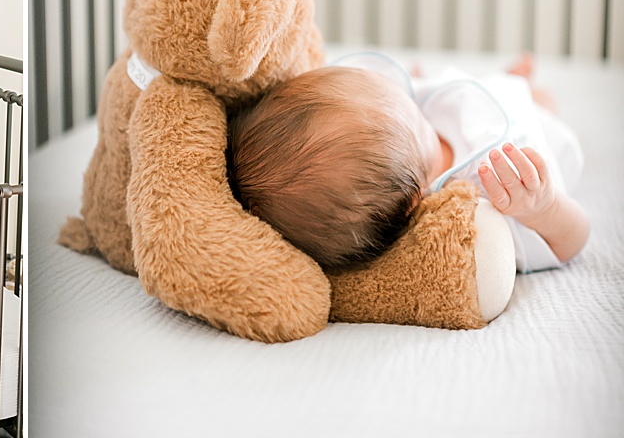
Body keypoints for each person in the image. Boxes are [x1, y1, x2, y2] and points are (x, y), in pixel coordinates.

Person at [228, 52, 589, 273]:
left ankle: (509, 80)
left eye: (398, 92)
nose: (411, 97)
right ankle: (523, 88)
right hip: (539, 134)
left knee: (459, 84)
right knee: (544, 98)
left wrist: (414, 83)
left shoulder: (405, 117)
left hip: (478, 95)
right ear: (415, 198)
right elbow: (574, 240)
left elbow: (406, 98)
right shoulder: (479, 201)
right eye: (412, 111)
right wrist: (544, 207)